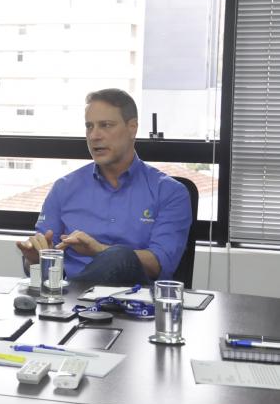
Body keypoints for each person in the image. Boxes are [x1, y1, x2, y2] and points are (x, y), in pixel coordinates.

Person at [15, 88, 192, 285]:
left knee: (120, 258)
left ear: (132, 128)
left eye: (106, 125)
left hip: (135, 305)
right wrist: (33, 258)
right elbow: (46, 268)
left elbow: (160, 263)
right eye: (89, 127)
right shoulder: (64, 188)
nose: (94, 136)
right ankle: (80, 303)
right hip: (67, 304)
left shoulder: (170, 192)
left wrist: (99, 249)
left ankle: (79, 301)